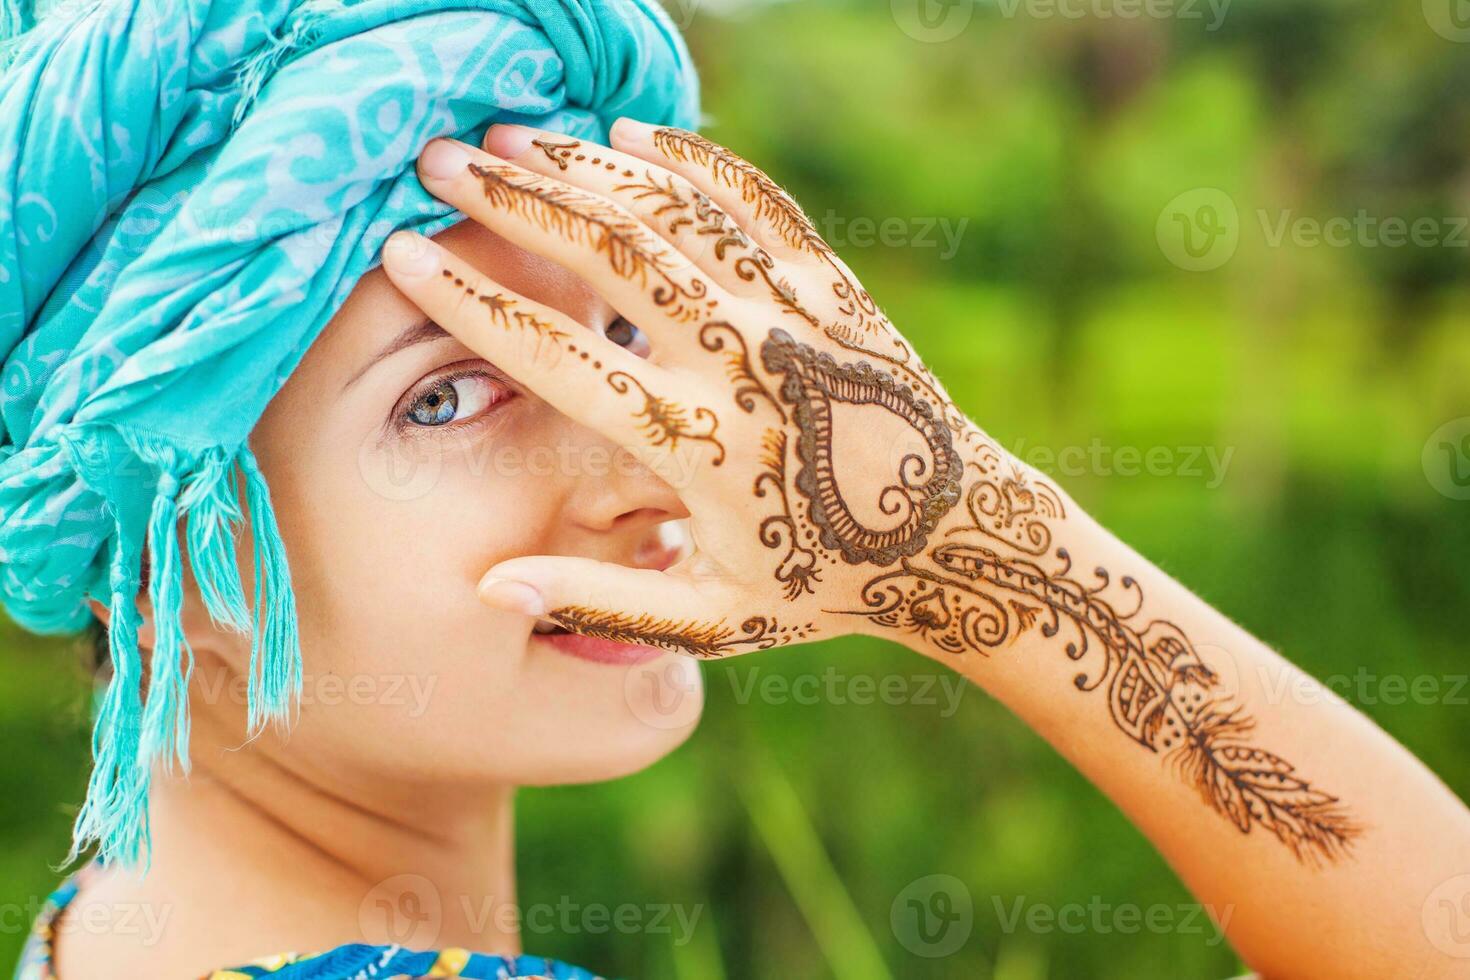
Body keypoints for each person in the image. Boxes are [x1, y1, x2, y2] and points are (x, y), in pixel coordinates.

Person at [2, 2, 1467, 979]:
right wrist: (974, 558)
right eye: (450, 392)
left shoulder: (106, 931)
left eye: (625, 326)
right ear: (156, 551)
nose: (647, 459)